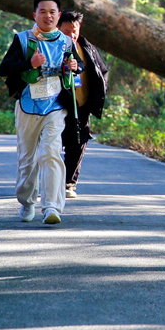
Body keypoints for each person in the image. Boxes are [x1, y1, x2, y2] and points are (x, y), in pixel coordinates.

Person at [0, 0, 83, 225]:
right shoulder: (23, 39)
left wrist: (76, 66)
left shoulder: (66, 42)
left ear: (58, 15)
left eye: (52, 12)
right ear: (34, 14)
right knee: (27, 159)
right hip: (27, 106)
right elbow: (4, 69)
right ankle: (27, 202)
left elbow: (79, 65)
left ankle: (52, 207)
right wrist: (30, 63)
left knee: (51, 153)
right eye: (43, 11)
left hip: (56, 106)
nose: (48, 16)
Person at [58, 11, 109, 199]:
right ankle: (50, 182)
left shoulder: (87, 47)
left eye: (74, 31)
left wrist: (97, 96)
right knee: (55, 144)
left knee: (78, 144)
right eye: (66, 30)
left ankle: (68, 184)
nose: (71, 35)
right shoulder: (53, 47)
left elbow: (102, 71)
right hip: (59, 105)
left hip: (82, 105)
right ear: (58, 28)